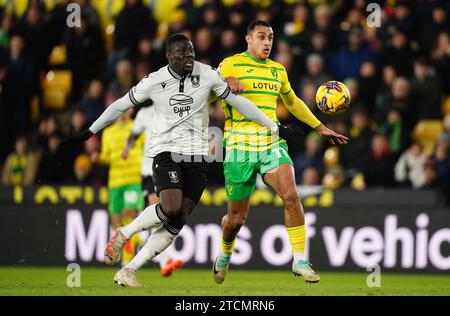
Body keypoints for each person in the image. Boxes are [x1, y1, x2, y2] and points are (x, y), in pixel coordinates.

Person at [62, 33, 303, 287]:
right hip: (166, 152)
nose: (189, 56)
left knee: (178, 218)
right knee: (171, 207)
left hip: (197, 157)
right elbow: (121, 106)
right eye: (182, 53)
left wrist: (275, 127)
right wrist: (90, 131)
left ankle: (129, 269)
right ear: (169, 56)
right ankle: (124, 233)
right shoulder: (154, 81)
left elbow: (240, 103)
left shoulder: (208, 74)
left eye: (191, 52)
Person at [212, 20, 348, 284]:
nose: (267, 43)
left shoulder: (277, 70)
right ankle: (225, 252)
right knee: (236, 220)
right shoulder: (230, 64)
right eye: (261, 37)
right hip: (239, 149)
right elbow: (208, 83)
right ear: (248, 39)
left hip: (271, 143)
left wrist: (320, 128)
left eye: (271, 37)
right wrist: (224, 80)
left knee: (291, 195)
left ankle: (299, 260)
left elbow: (293, 102)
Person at [121, 106, 183, 277]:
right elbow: (133, 134)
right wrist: (127, 147)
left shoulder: (171, 109)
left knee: (163, 217)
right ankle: (163, 260)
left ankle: (159, 258)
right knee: (160, 211)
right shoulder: (144, 114)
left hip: (168, 168)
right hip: (149, 171)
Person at [95, 108, 146, 266]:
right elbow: (106, 156)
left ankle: (126, 262)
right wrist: (98, 158)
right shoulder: (108, 132)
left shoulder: (138, 127)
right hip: (115, 182)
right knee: (116, 224)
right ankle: (137, 239)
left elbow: (147, 148)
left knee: (128, 216)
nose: (124, 112)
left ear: (130, 111)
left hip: (133, 179)